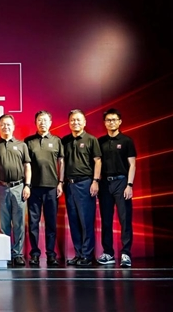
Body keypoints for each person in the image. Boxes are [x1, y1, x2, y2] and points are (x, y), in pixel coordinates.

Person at [0, 114, 32, 267]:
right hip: (0, 188)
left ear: (13, 127)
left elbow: (27, 166)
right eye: (3, 124)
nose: (5, 127)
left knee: (19, 223)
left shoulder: (22, 145)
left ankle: (18, 254)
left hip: (19, 187)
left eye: (8, 124)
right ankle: (5, 253)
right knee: (4, 223)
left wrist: (27, 185)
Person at [97, 108, 137, 268]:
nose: (111, 122)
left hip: (122, 183)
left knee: (125, 219)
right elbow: (97, 163)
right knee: (106, 220)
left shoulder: (127, 141)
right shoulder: (100, 141)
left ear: (120, 122)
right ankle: (108, 253)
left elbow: (132, 164)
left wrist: (129, 185)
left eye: (114, 119)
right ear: (104, 123)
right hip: (105, 184)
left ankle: (126, 253)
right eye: (108, 120)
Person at [24, 110, 64, 267]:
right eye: (40, 120)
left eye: (45, 120)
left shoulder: (57, 141)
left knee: (51, 223)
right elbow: (25, 165)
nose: (42, 123)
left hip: (51, 188)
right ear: (35, 122)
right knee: (33, 223)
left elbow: (61, 162)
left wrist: (60, 182)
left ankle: (51, 254)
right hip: (34, 188)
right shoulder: (29, 141)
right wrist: (27, 185)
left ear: (50, 123)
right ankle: (34, 254)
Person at [62, 109, 101, 267]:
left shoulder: (91, 140)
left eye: (78, 120)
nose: (75, 122)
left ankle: (87, 255)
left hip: (85, 183)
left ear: (84, 122)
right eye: (72, 120)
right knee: (74, 221)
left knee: (86, 221)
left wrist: (95, 181)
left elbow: (98, 161)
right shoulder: (65, 141)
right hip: (69, 185)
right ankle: (78, 254)